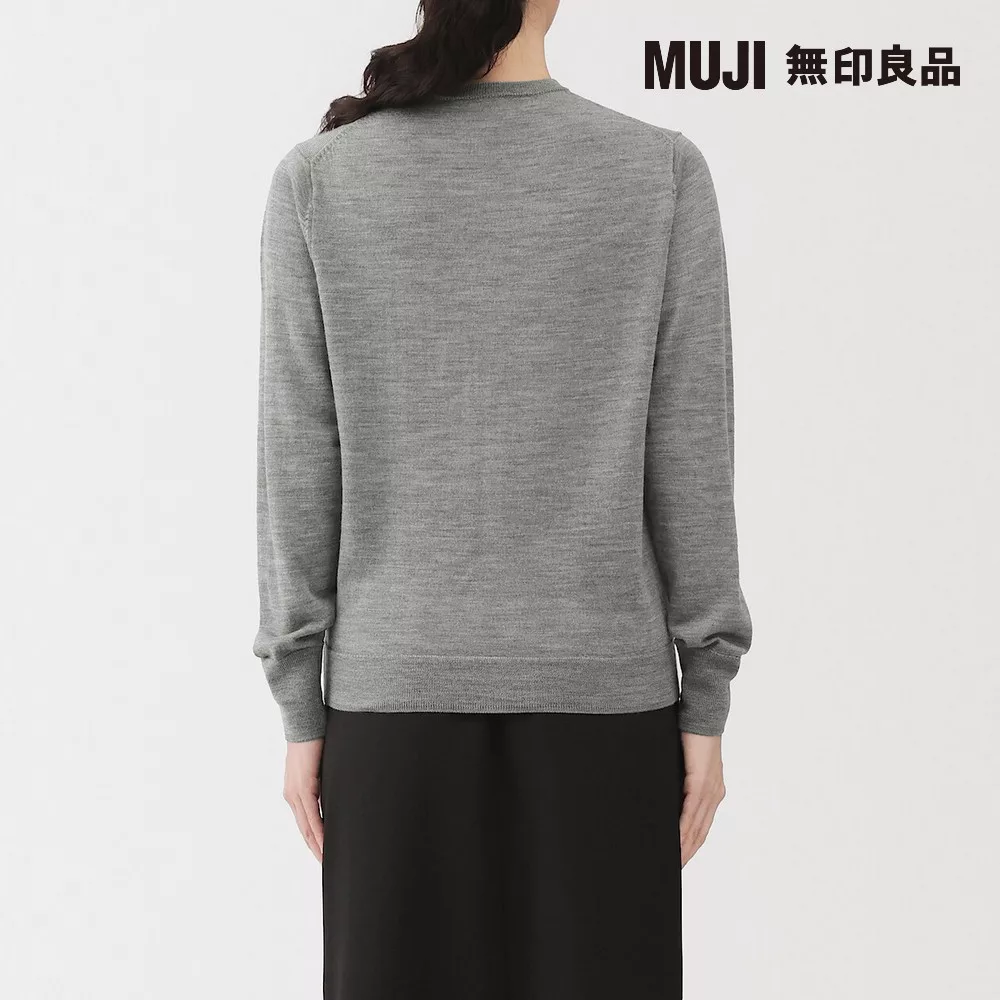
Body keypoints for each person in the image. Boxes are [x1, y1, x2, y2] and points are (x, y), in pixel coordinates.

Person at [253, 0, 753, 996]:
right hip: (606, 710)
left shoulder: (323, 179)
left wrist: (299, 706)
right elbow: (690, 449)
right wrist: (706, 699)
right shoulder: (656, 171)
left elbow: (297, 459)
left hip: (390, 713)